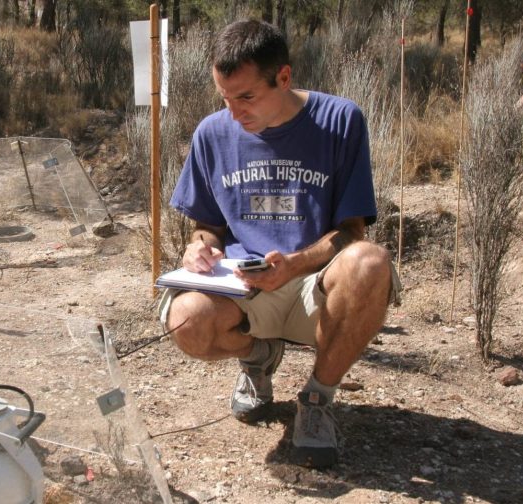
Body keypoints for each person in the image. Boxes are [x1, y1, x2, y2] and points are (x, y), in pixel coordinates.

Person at [158, 20, 401, 470]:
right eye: (225, 98)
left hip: (317, 286)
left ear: (284, 78)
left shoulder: (339, 121)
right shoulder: (212, 134)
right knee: (183, 320)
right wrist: (198, 248)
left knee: (370, 262)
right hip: (246, 290)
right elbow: (206, 227)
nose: (234, 113)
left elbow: (353, 232)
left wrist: (295, 263)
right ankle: (258, 356)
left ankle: (316, 398)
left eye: (246, 97)